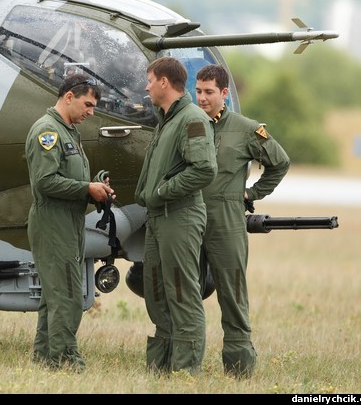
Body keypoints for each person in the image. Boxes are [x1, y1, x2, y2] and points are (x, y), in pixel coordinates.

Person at [195, 64, 290, 378]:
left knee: (232, 293)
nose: (202, 98)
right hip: (190, 217)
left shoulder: (246, 129)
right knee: (181, 291)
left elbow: (279, 162)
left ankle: (238, 367)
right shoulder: (188, 125)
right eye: (198, 91)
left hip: (226, 220)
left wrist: (252, 194)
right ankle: (181, 363)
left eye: (209, 92)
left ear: (224, 93)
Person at [24, 73, 115, 372]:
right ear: (68, 97)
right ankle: (66, 361)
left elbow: (68, 178)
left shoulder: (68, 131)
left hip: (69, 221)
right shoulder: (47, 132)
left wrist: (95, 187)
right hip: (53, 221)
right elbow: (46, 182)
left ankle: (44, 357)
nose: (91, 111)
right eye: (87, 104)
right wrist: (86, 189)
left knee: (55, 297)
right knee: (68, 296)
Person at [134, 57, 218, 375]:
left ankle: (185, 371)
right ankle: (162, 366)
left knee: (182, 293)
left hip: (179, 216)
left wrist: (162, 191)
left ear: (165, 83)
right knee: (157, 293)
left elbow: (204, 169)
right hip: (159, 217)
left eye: (150, 79)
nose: (146, 86)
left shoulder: (192, 119)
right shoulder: (167, 118)